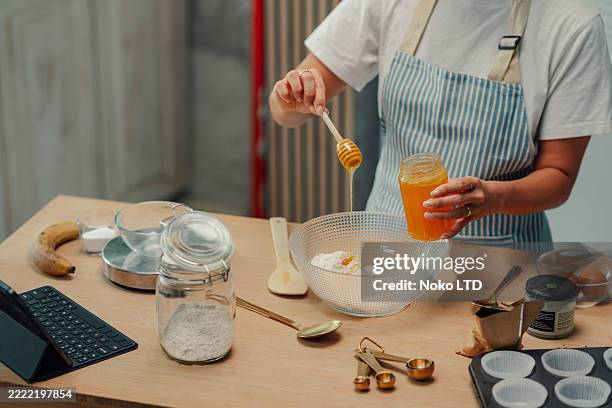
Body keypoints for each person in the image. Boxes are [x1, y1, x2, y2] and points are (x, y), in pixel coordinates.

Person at [269, 0, 612, 244]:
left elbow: (559, 177)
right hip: (389, 251)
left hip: (499, 271)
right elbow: (285, 111)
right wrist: (290, 97)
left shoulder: (572, 26)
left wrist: (494, 197)